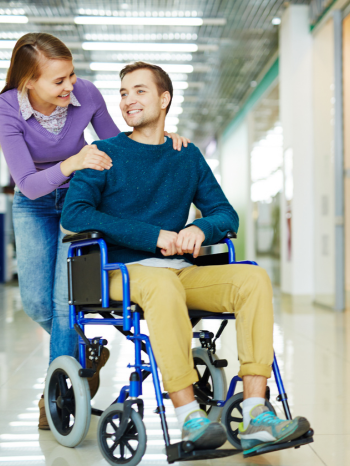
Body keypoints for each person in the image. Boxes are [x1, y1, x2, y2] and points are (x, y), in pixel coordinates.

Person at [61, 61, 311, 454]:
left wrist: (201, 229)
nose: (128, 100)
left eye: (139, 91)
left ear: (164, 99)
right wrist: (153, 236)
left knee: (252, 279)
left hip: (178, 272)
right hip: (120, 272)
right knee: (161, 285)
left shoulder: (186, 156)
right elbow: (74, 213)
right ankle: (189, 418)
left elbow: (225, 214)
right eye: (124, 92)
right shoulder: (104, 152)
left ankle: (257, 412)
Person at [0, 34, 189, 431]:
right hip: (34, 203)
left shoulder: (86, 93)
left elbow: (119, 144)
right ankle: (85, 351)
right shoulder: (6, 108)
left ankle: (58, 393)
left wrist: (163, 142)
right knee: (36, 303)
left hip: (79, 203)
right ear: (29, 81)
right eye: (58, 81)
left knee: (66, 302)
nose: (70, 87)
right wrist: (73, 161)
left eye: (72, 75)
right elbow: (27, 184)